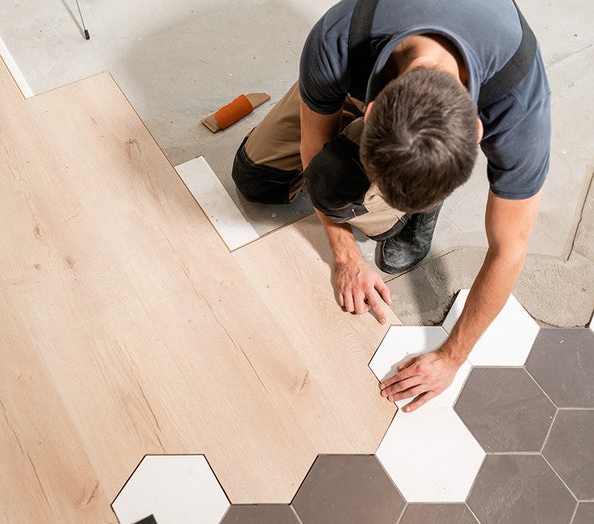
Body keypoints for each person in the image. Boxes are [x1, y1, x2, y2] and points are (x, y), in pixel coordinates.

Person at [231, 0, 550, 412]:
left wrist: (451, 356)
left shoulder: (518, 102)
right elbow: (314, 149)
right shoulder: (338, 41)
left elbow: (509, 248)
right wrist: (346, 256)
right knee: (257, 180)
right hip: (355, 76)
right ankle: (394, 175)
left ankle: (421, 198)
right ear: (373, 110)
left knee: (357, 199)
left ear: (475, 130)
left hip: (411, 84)